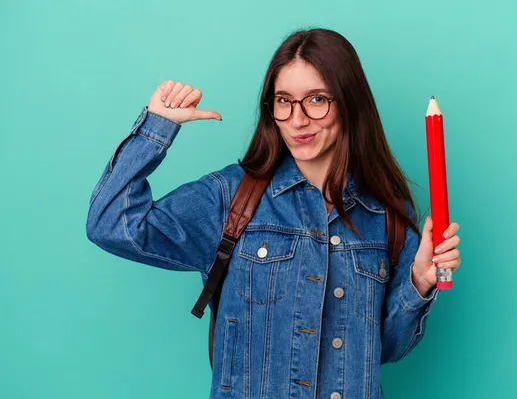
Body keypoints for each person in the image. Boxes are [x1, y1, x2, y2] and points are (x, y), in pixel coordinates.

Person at [86, 28, 461, 399]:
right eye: (284, 100)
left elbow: (385, 349)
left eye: (316, 99)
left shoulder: (387, 213)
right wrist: (156, 127)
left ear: (349, 104)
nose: (297, 120)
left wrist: (420, 281)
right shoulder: (231, 199)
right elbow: (109, 224)